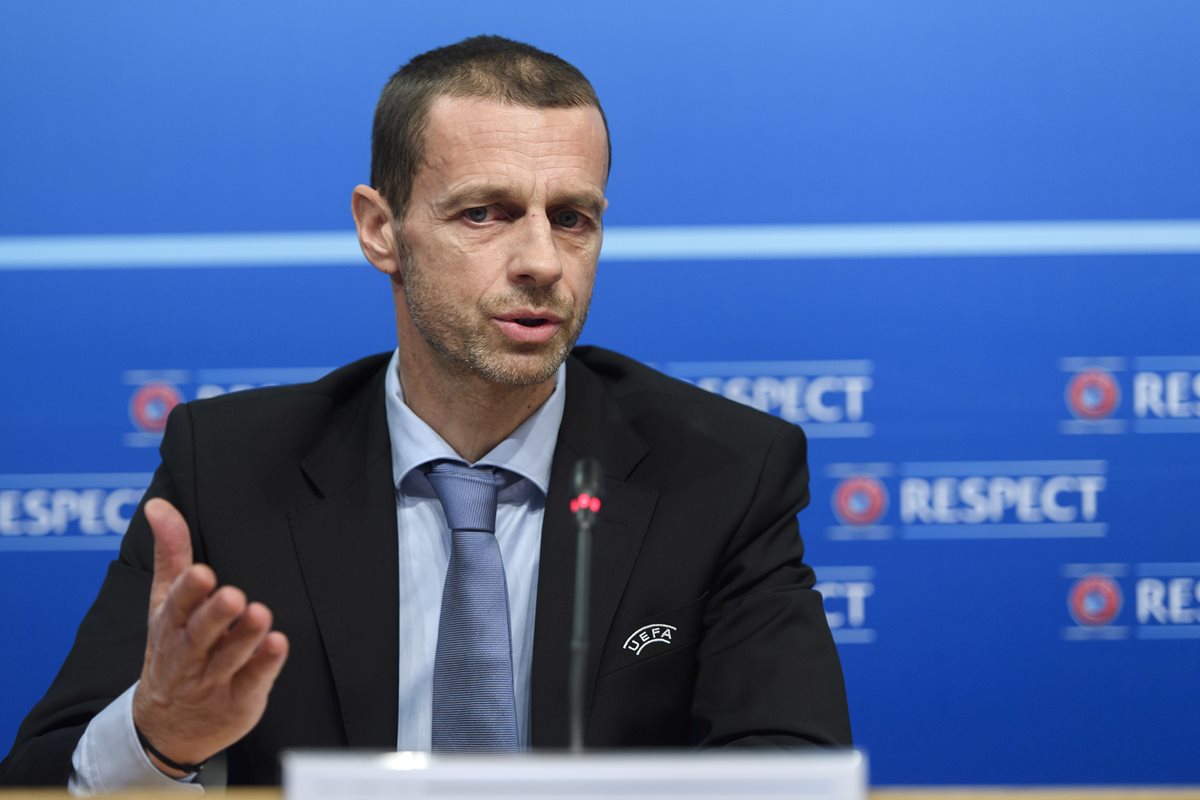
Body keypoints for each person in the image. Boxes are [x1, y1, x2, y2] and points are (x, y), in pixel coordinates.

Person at [0, 35, 851, 789]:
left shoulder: (724, 471)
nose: (543, 262)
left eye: (574, 218)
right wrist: (161, 739)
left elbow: (790, 765)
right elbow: (40, 781)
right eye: (485, 213)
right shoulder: (229, 469)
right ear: (380, 230)